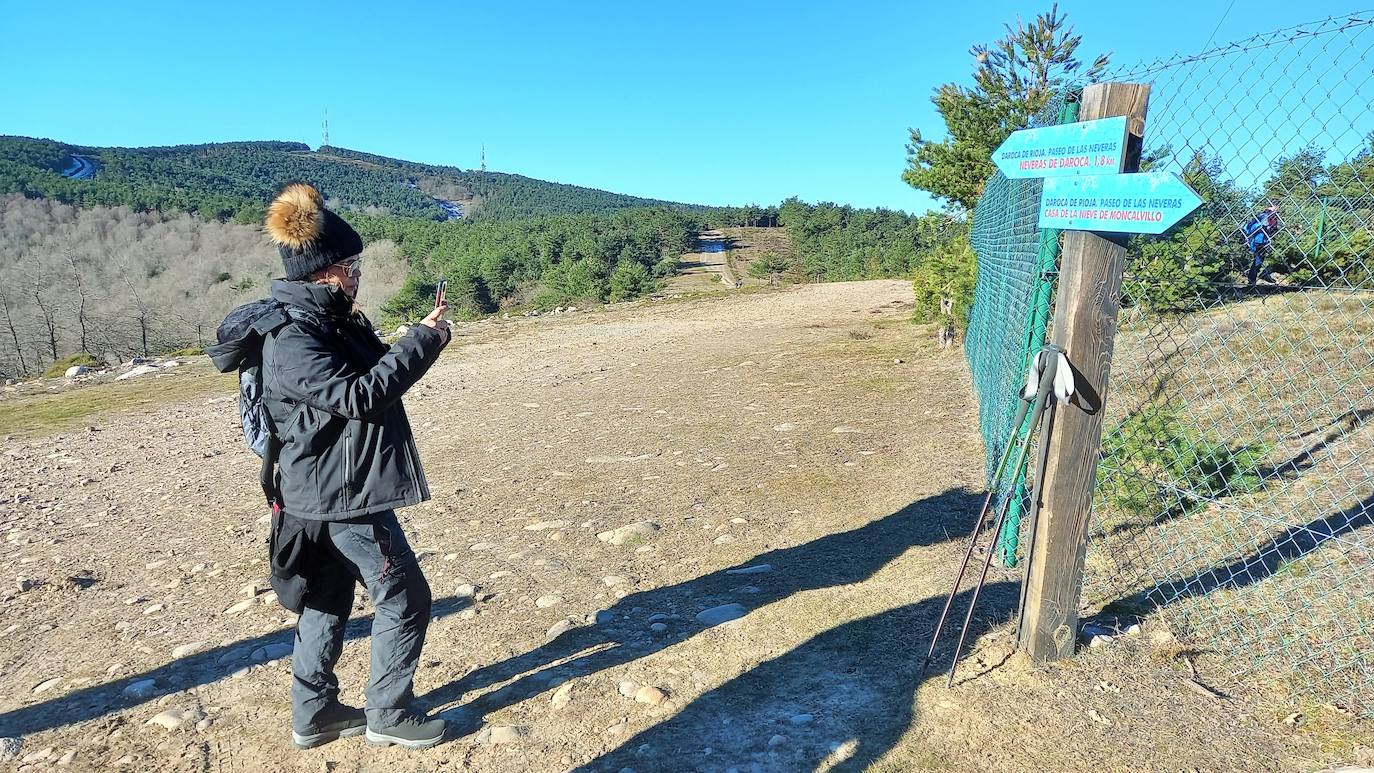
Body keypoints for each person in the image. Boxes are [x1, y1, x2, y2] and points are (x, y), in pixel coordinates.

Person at [257, 183, 452, 750]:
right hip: (339, 493)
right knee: (405, 596)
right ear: (322, 270)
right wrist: (421, 342)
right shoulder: (293, 336)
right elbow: (362, 396)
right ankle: (388, 713)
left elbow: (370, 378)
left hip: (326, 485)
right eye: (350, 265)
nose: (357, 274)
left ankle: (313, 714)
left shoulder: (328, 319)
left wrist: (420, 336)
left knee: (328, 598)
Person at [1242, 204, 1280, 286]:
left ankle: (1251, 279)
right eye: (1276, 207)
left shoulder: (1264, 214)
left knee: (1258, 260)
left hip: (1258, 241)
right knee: (1258, 261)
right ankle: (1251, 280)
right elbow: (1267, 226)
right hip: (1260, 241)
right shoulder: (1267, 215)